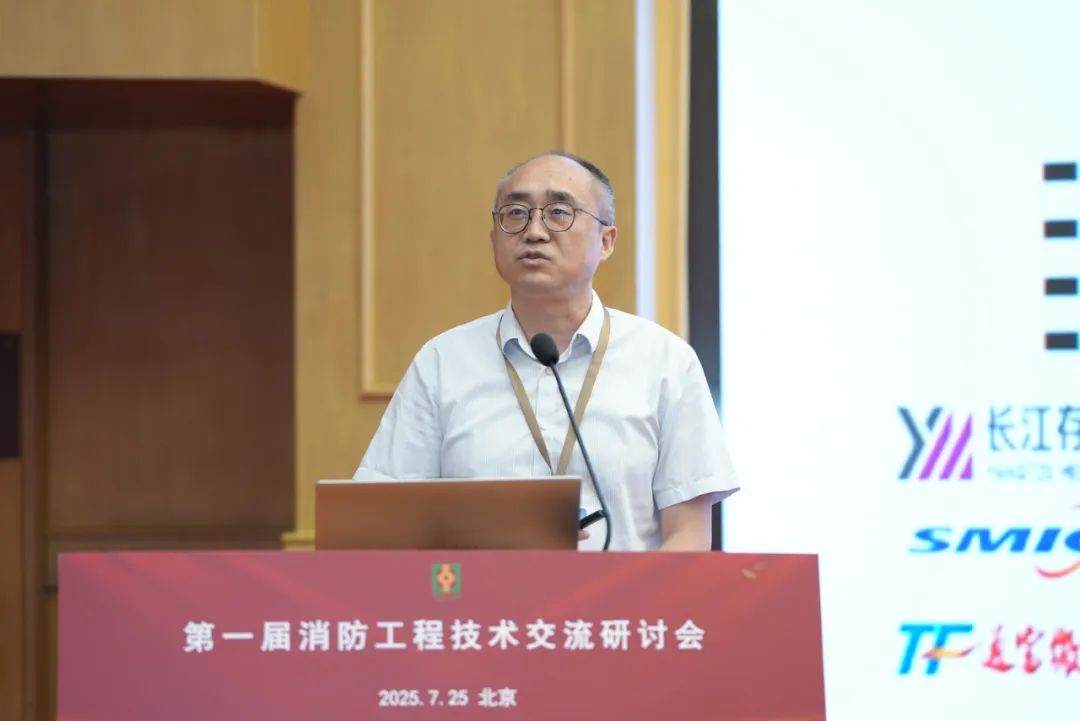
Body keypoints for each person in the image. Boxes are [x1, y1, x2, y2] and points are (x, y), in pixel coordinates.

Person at [354, 152, 738, 550]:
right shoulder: (442, 362)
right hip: (484, 592)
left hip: (621, 593)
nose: (534, 231)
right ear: (494, 239)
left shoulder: (665, 362)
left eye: (558, 212)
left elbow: (687, 536)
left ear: (606, 241)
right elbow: (384, 519)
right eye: (516, 214)